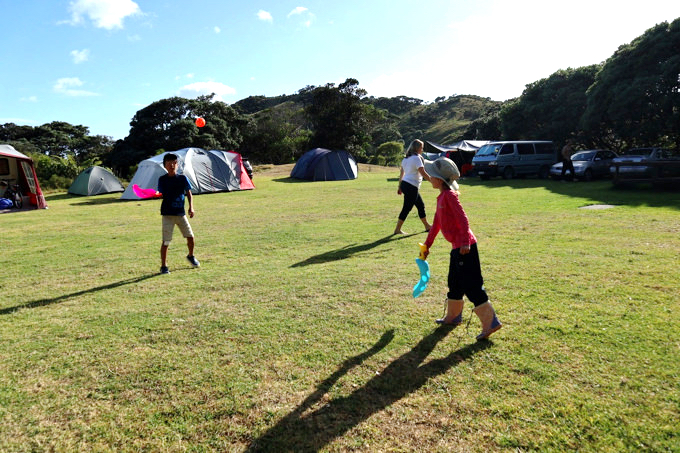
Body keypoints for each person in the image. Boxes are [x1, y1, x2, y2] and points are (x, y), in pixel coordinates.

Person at [421, 157, 502, 341]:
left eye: (431, 175)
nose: (428, 178)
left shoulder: (449, 196)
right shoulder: (441, 197)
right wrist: (427, 245)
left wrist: (465, 242)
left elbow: (463, 219)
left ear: (439, 180)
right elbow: (436, 225)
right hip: (457, 248)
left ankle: (491, 323)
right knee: (454, 282)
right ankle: (453, 316)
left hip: (466, 248)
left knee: (471, 285)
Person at [158, 153, 200, 274]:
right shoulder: (162, 179)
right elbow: (161, 193)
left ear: (177, 164)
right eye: (169, 163)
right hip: (167, 214)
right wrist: (155, 195)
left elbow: (189, 193)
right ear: (164, 165)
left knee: (190, 237)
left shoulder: (182, 178)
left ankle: (191, 256)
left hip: (180, 214)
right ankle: (164, 266)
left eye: (174, 162)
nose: (172, 165)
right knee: (166, 241)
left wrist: (191, 207)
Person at [395, 139, 432, 234]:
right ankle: (397, 229)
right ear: (417, 148)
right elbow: (423, 173)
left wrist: (399, 186)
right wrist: (433, 181)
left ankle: (427, 226)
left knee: (420, 205)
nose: (422, 150)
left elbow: (401, 174)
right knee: (407, 208)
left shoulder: (405, 159)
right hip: (411, 186)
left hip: (406, 185)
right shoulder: (416, 158)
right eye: (421, 148)